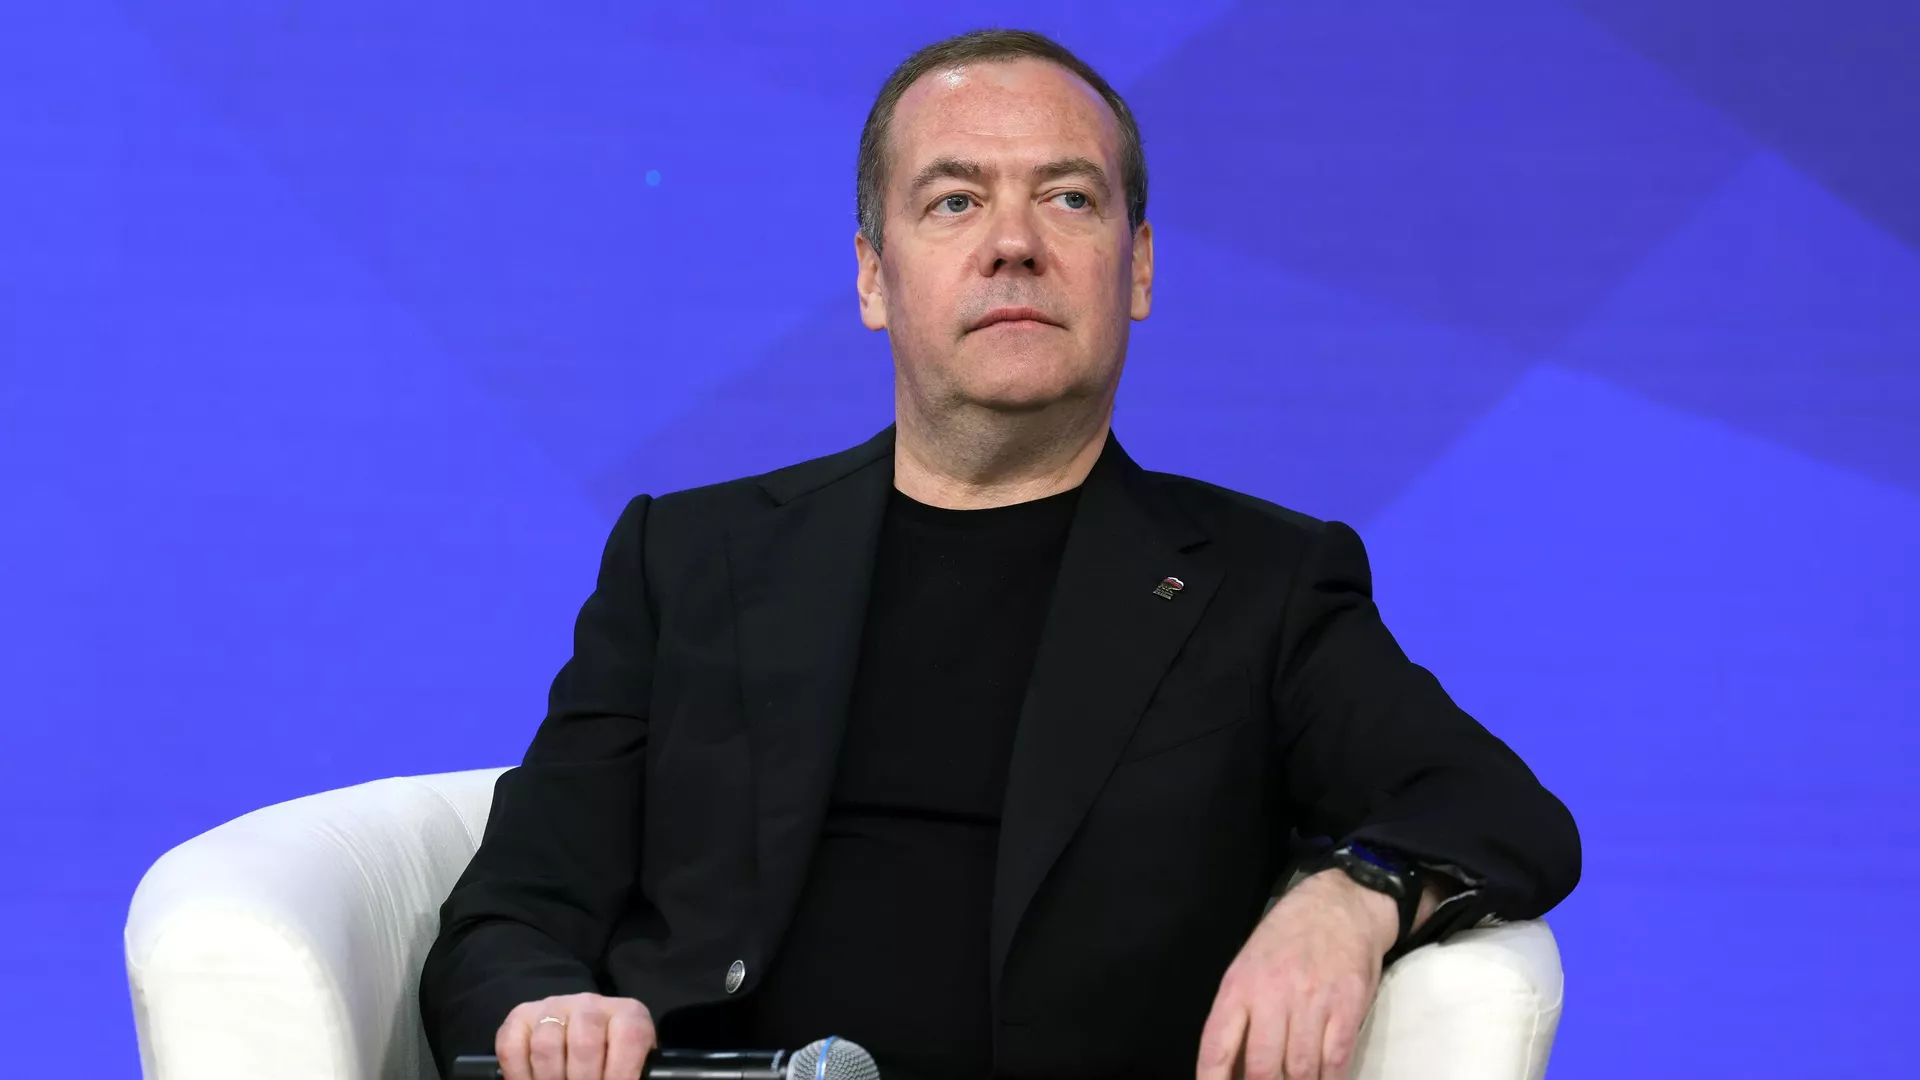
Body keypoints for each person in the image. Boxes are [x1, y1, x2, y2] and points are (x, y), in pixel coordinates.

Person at [420, 28, 1580, 1080]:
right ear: (874, 276)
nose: (1014, 244)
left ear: (1137, 268)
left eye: (1069, 199)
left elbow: (1494, 805)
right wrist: (553, 1015)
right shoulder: (689, 559)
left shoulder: (1263, 582)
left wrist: (1353, 893)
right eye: (955, 201)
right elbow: (511, 916)